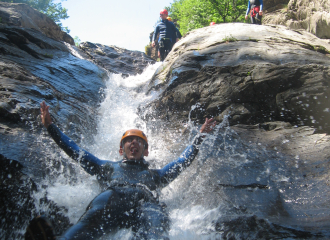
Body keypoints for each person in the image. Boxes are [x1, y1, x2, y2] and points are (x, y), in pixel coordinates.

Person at [25, 101, 216, 240]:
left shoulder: (156, 175)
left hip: (146, 203)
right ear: (120, 149)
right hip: (111, 198)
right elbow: (76, 151)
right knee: (90, 220)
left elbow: (182, 161)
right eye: (128, 140)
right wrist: (51, 128)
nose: (134, 142)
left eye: (139, 141)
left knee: (156, 224)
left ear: (146, 150)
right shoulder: (106, 167)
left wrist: (199, 137)